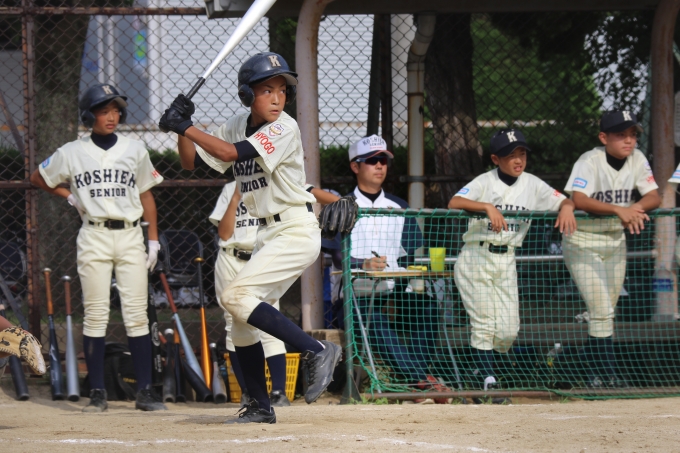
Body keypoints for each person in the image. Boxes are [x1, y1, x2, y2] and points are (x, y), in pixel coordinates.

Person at [159, 52, 342, 424]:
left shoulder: (284, 127)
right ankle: (260, 405)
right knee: (240, 317)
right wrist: (181, 127)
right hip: (267, 233)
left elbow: (229, 153)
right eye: (266, 90)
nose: (277, 98)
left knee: (234, 296)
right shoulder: (235, 124)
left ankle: (317, 349)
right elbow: (191, 162)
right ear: (246, 95)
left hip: (295, 228)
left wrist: (186, 125)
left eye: (282, 90)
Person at [30, 83, 166, 412]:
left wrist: (152, 240)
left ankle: (145, 392)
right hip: (94, 235)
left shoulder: (135, 149)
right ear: (89, 116)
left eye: (116, 110)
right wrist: (69, 195)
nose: (111, 116)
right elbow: (39, 177)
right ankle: (97, 393)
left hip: (130, 235)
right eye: (104, 111)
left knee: (136, 314)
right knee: (95, 314)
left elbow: (146, 195)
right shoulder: (71, 152)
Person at [448, 129, 576, 396]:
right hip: (477, 256)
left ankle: (479, 370)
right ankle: (487, 379)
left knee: (508, 330)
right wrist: (487, 207)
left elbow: (564, 200)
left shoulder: (532, 183)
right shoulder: (485, 181)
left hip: (507, 259)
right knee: (484, 322)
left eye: (522, 153)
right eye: (510, 155)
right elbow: (454, 202)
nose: (518, 160)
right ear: (496, 159)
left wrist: (566, 207)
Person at [325, 135, 450, 403]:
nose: (380, 165)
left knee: (427, 306)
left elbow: (409, 255)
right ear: (355, 166)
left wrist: (405, 280)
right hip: (354, 297)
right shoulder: (341, 205)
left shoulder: (399, 206)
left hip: (393, 291)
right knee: (374, 318)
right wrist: (363, 264)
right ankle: (419, 381)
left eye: (383, 160)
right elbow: (335, 255)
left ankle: (414, 383)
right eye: (372, 160)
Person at [210, 181, 338, 407]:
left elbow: (320, 195)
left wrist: (342, 202)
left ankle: (279, 390)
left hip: (264, 254)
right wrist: (236, 197)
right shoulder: (232, 187)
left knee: (265, 319)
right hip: (231, 258)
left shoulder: (277, 174)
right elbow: (224, 233)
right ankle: (253, 398)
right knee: (235, 321)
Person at [562, 110, 660, 388]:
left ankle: (585, 367)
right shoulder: (589, 161)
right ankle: (605, 374)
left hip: (615, 241)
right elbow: (579, 199)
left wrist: (634, 208)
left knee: (606, 312)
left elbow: (654, 196)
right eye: (621, 135)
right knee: (602, 309)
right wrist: (620, 209)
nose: (629, 140)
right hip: (583, 241)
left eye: (633, 134)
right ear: (604, 138)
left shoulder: (637, 158)